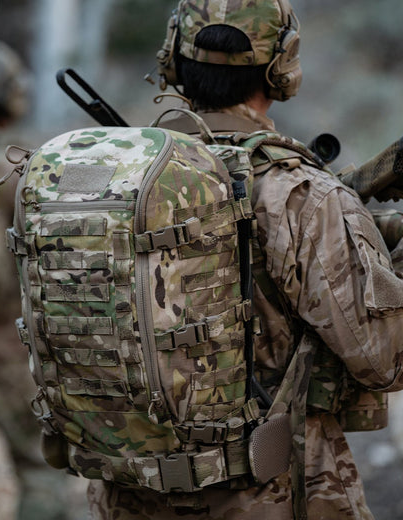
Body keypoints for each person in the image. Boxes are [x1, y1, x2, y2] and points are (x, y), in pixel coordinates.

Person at [86, 1, 403, 518]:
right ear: (282, 67)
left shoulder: (114, 182)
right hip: (273, 494)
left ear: (172, 58)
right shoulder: (300, 195)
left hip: (128, 493)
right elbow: (385, 360)